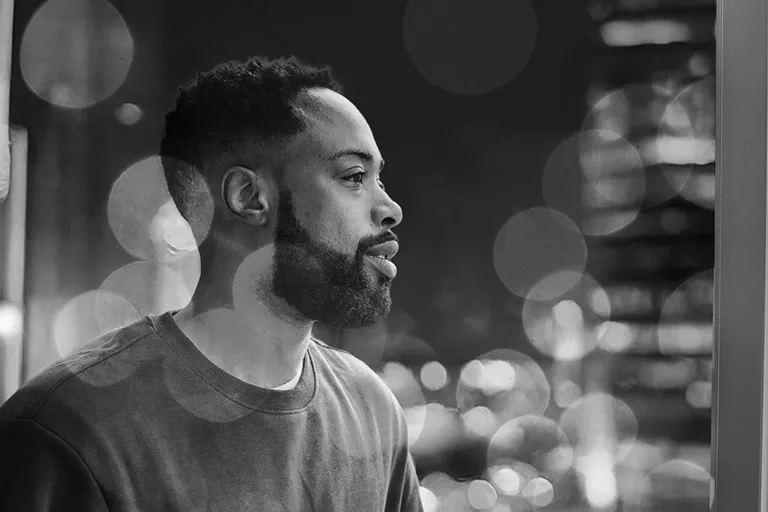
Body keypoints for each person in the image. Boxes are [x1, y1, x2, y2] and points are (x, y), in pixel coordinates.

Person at [0, 56, 424, 511]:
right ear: (248, 197)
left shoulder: (373, 413)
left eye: (379, 178)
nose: (390, 208)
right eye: (354, 177)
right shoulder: (70, 430)